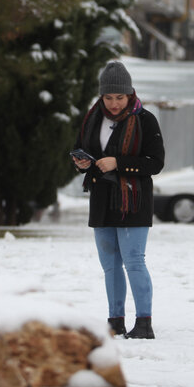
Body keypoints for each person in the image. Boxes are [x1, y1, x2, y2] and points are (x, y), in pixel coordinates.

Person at [72, 61, 164, 339]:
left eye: (119, 97)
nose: (113, 103)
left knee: (134, 261)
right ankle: (115, 320)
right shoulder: (92, 119)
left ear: (130, 94)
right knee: (110, 264)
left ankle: (144, 322)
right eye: (108, 97)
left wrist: (119, 163)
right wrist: (81, 164)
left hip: (133, 201)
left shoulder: (145, 120)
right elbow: (83, 150)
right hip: (101, 198)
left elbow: (156, 163)